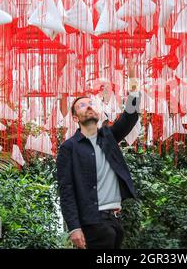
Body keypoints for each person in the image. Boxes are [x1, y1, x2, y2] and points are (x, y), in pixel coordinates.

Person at [56, 64, 141, 249]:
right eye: (81, 105)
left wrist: (133, 83)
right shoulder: (68, 148)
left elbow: (130, 116)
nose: (88, 107)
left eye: (90, 104)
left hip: (115, 219)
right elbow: (66, 191)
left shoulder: (108, 137)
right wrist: (74, 228)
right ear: (75, 118)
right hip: (92, 221)